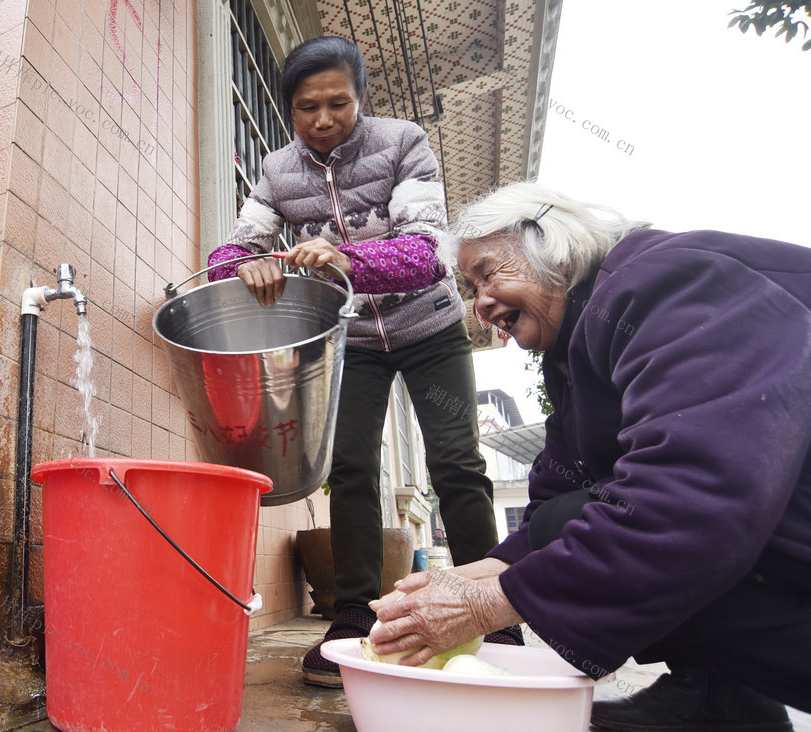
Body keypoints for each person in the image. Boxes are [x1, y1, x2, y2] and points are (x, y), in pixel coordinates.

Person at [368, 180, 811, 730]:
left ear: (546, 240)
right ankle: (720, 697)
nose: (479, 305)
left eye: (486, 274)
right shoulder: (577, 349)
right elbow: (557, 501)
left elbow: (696, 494)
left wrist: (488, 605)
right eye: (469, 286)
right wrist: (462, 582)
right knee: (566, 518)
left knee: (650, 521)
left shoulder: (663, 282)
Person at [207, 36, 514, 688]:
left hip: (428, 327)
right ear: (290, 109)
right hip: (352, 345)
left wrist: (349, 260)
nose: (322, 120)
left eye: (337, 104)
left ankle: (499, 615)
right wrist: (250, 266)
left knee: (456, 463)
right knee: (347, 469)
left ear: (360, 98)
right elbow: (228, 256)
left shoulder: (403, 143)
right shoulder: (276, 171)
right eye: (305, 107)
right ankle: (350, 616)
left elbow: (429, 250)